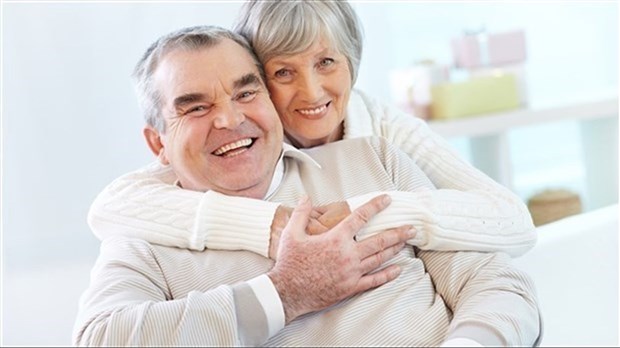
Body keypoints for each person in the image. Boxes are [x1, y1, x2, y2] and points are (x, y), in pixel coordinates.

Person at [74, 25, 541, 346]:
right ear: (158, 142)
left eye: (245, 92)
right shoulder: (144, 237)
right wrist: (286, 293)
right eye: (195, 108)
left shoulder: (374, 158)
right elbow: (100, 338)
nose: (230, 119)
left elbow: (497, 285)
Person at [86, 0, 536, 260]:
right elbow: (111, 207)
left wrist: (368, 213)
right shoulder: (242, 141)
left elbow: (514, 221)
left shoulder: (381, 126)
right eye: (283, 73)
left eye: (326, 62)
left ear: (351, 64)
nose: (312, 91)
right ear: (257, 81)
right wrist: (271, 224)